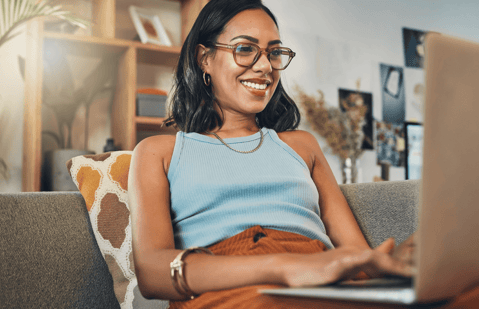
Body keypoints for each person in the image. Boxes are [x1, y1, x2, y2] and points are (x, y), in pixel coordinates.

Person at [128, 1, 415, 308]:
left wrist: (395, 266)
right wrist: (283, 267)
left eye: (274, 53)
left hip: (320, 281)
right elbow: (153, 273)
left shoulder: (302, 146)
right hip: (227, 287)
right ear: (204, 59)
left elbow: (356, 256)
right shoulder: (158, 153)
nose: (265, 66)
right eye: (245, 49)